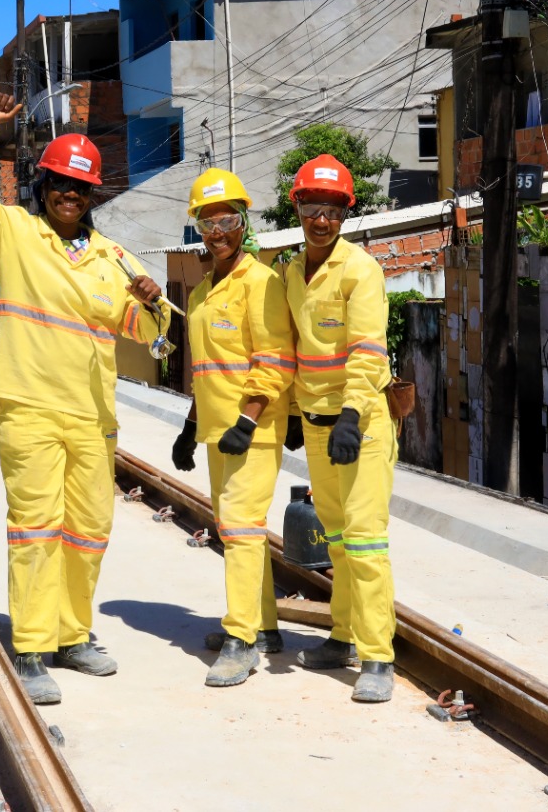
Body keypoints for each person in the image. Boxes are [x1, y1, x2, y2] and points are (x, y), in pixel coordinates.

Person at [0, 93, 166, 706]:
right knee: (36, 529)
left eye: (81, 187)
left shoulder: (113, 258)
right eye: (61, 183)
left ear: (92, 195)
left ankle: (73, 634)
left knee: (88, 531)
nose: (70, 193)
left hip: (93, 416)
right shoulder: (14, 232)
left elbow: (151, 332)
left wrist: (148, 301)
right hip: (31, 406)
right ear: (43, 185)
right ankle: (33, 646)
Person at [168, 169, 295, 688]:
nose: (217, 232)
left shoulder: (260, 283)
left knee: (240, 531)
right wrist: (188, 425)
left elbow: (275, 359)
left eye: (228, 221)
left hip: (253, 430)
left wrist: (248, 420)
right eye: (207, 222)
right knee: (239, 533)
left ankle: (241, 641)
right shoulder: (202, 292)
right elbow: (206, 370)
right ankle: (263, 626)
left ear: (244, 223)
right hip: (218, 431)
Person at [282, 154, 397, 703]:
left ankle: (377, 658)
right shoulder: (290, 273)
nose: (320, 219)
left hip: (361, 426)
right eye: (312, 207)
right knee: (337, 542)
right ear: (298, 208)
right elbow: (292, 350)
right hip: (315, 423)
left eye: (331, 210)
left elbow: (368, 350)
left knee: (367, 540)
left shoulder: (360, 270)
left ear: (345, 214)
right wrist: (289, 415)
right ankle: (343, 635)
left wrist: (351, 414)